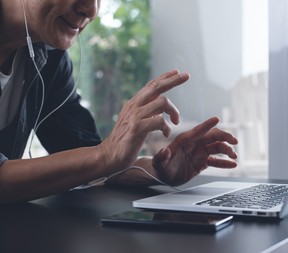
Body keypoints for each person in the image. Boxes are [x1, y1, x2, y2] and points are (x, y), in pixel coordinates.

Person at [0, 0, 238, 203]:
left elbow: (86, 159)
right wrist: (105, 154)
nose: (91, 10)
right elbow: (100, 157)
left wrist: (154, 169)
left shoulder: (49, 57)